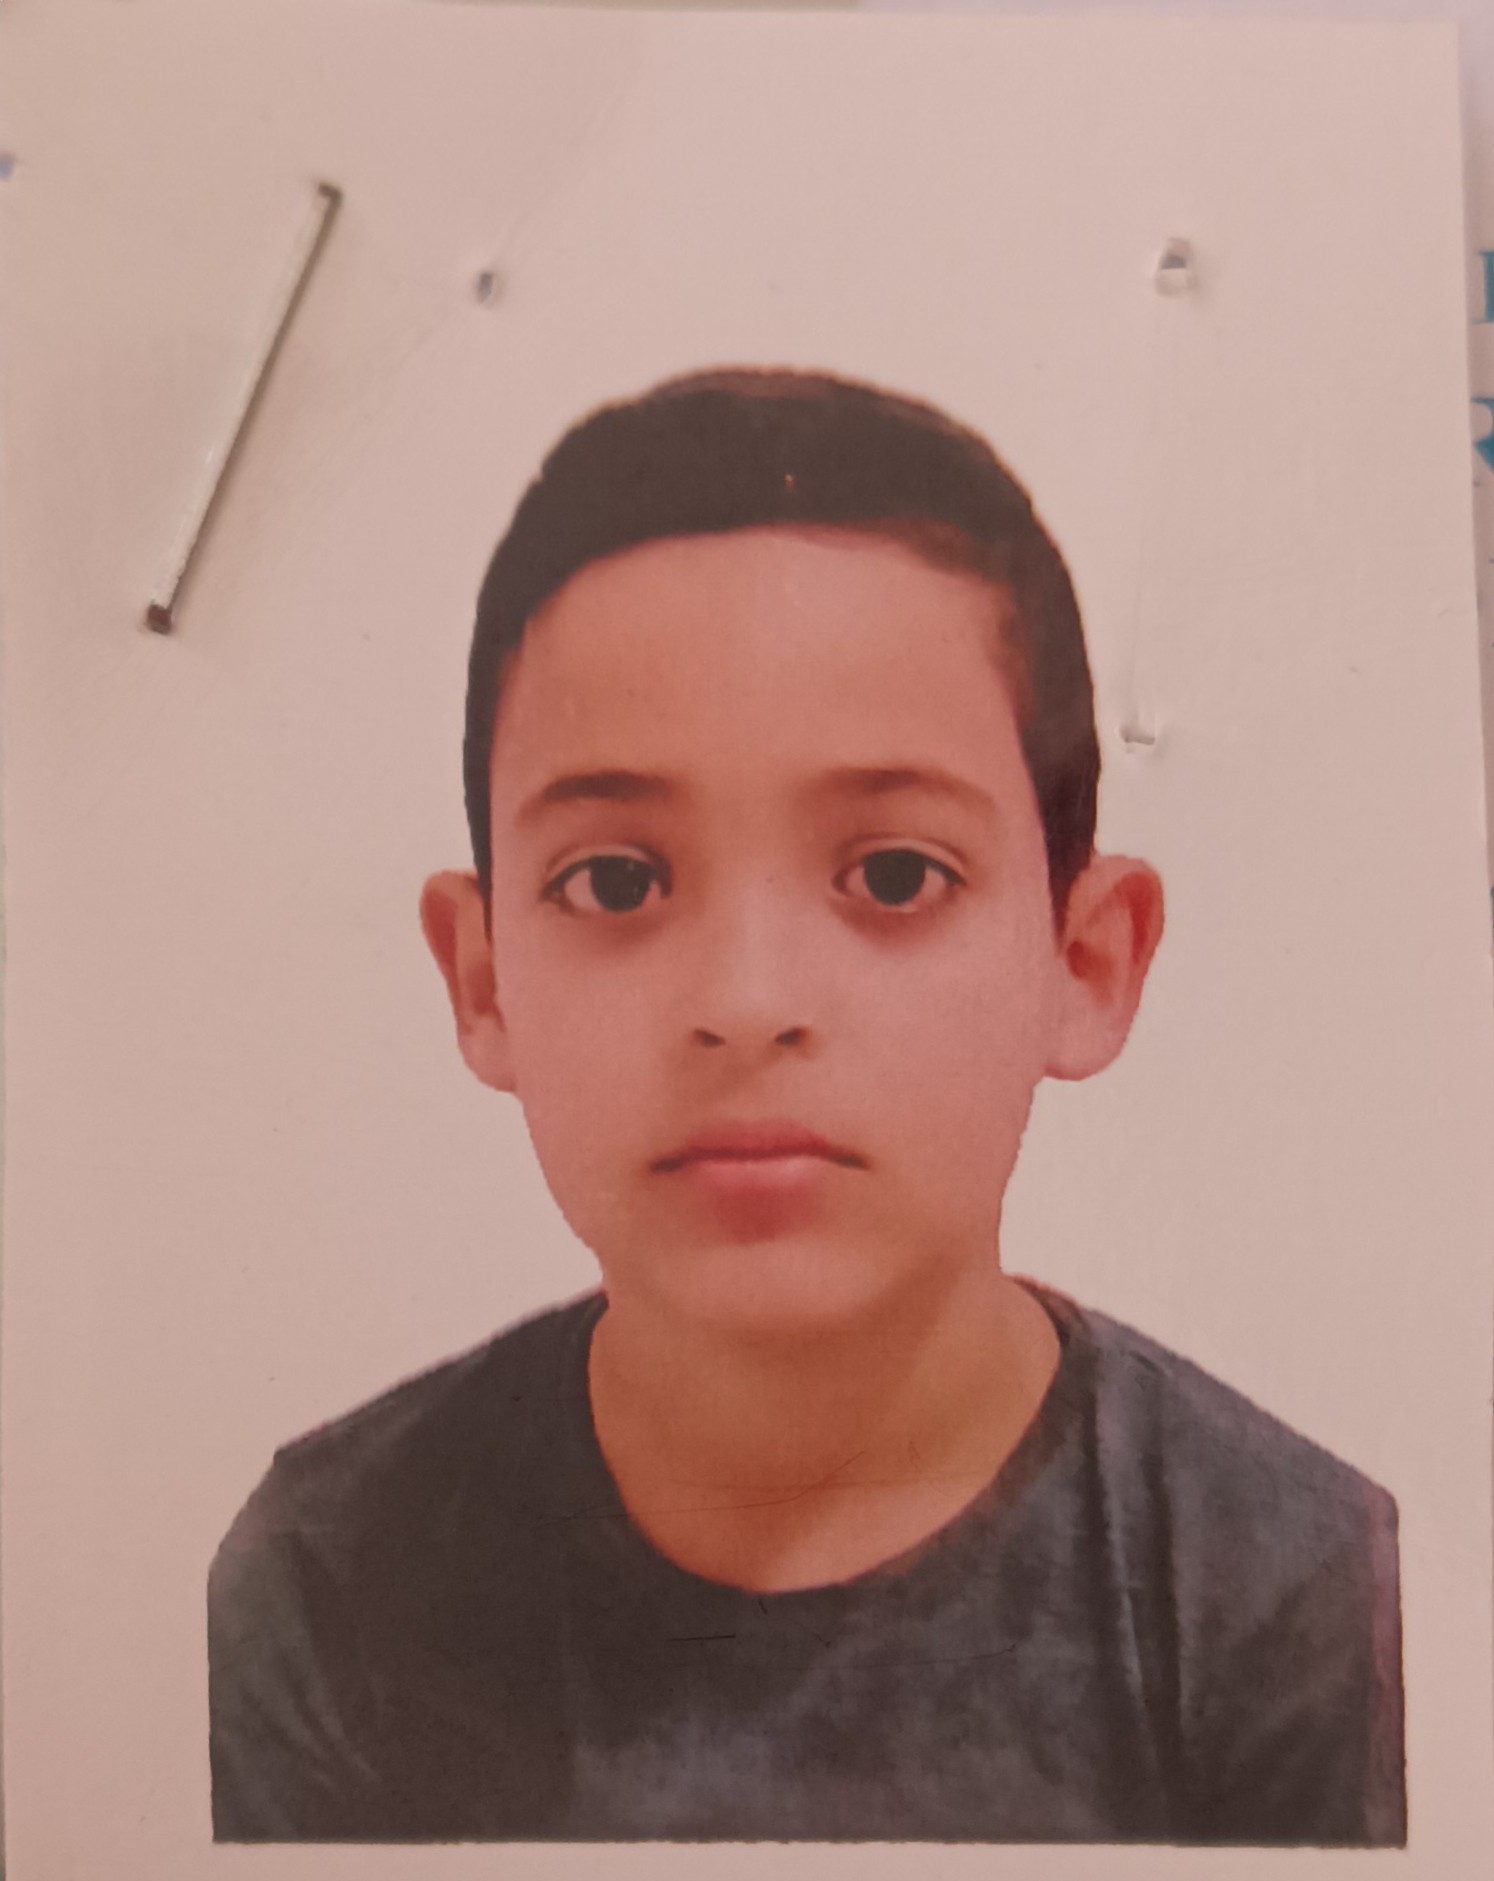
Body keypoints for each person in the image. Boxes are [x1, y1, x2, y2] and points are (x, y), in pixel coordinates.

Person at [208, 368, 1406, 1845]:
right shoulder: (333, 1577)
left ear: (1085, 960)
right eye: (617, 881)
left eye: (895, 874)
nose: (748, 996)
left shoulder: (1300, 1596)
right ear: (484, 975)